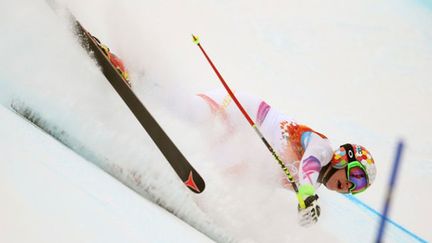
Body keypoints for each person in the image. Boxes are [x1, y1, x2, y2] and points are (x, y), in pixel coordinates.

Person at [197, 89, 377, 227]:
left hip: (239, 146)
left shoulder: (311, 184)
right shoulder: (323, 149)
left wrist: (302, 214)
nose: (349, 186)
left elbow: (262, 180)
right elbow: (309, 164)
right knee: (194, 116)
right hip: (247, 113)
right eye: (355, 176)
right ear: (344, 159)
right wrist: (306, 194)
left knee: (212, 162)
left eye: (357, 187)